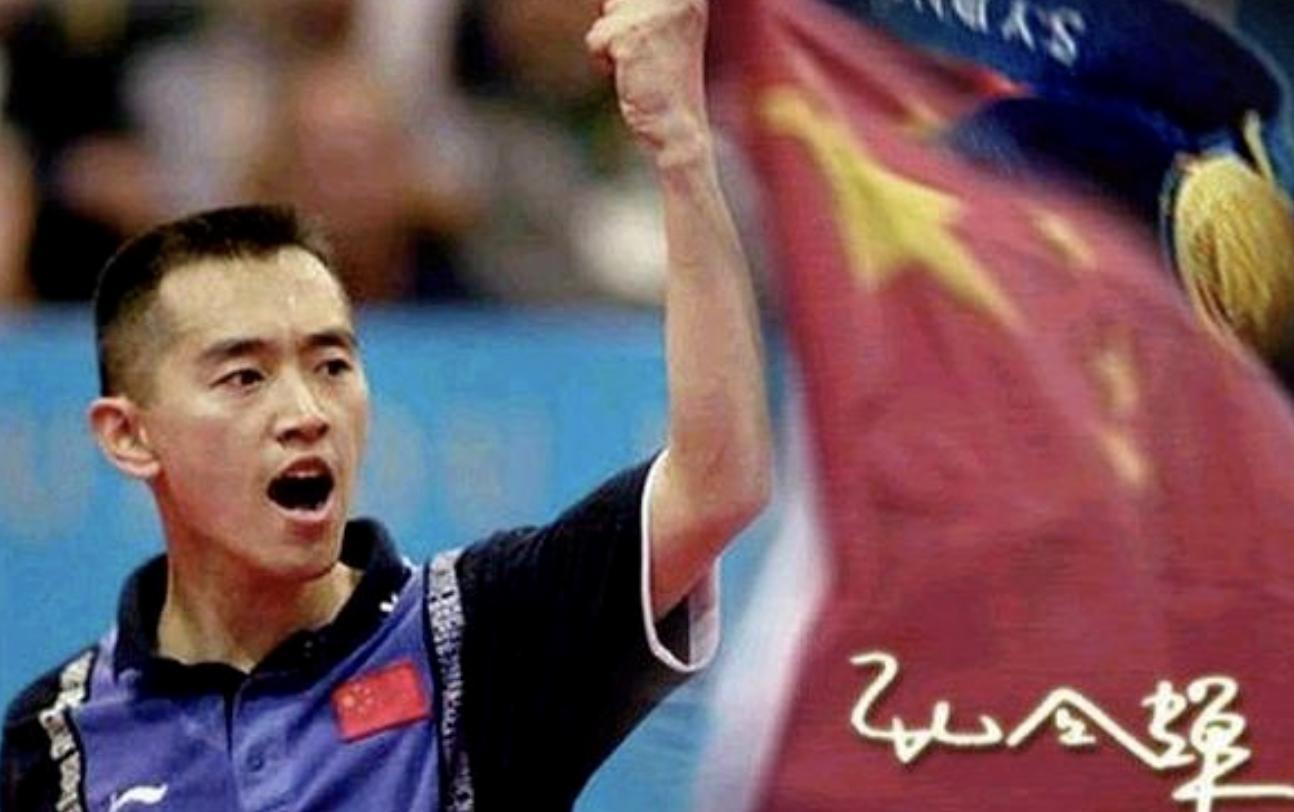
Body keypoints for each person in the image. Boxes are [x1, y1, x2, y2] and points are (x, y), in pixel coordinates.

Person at [0, 0, 771, 809]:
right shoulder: (54, 747)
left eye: (331, 364)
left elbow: (718, 483)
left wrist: (680, 144)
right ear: (129, 434)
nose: (306, 412)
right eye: (245, 377)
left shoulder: (480, 635)